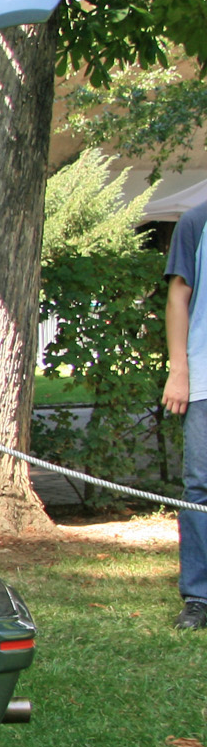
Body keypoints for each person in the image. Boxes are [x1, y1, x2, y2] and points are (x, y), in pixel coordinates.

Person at [163, 199, 207, 631]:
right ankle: (198, 596)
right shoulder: (197, 220)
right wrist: (180, 371)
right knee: (200, 487)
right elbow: (179, 296)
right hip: (205, 378)